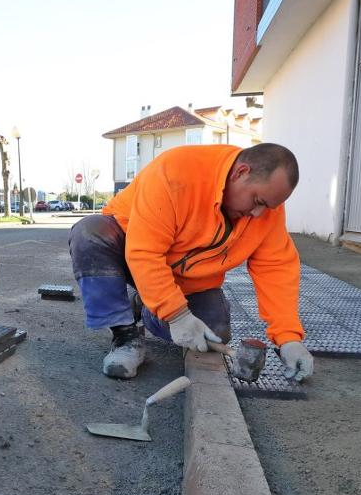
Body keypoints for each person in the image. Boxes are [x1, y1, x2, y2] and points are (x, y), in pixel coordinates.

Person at [68, 143, 314, 382]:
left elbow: (276, 268)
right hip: (129, 253)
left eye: (268, 207)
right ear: (241, 172)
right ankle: (125, 336)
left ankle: (147, 305)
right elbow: (144, 252)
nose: (259, 214)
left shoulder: (267, 210)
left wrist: (288, 338)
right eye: (258, 201)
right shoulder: (176, 172)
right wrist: (176, 315)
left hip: (186, 281)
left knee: (215, 333)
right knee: (90, 233)